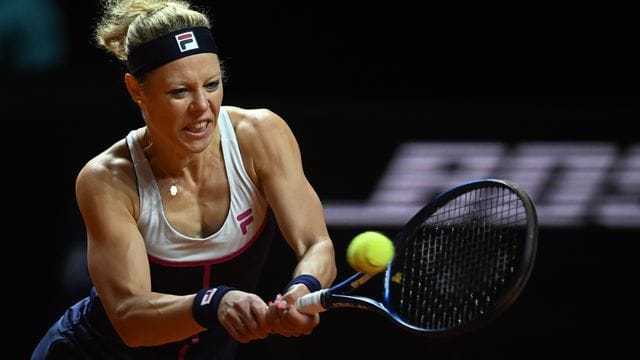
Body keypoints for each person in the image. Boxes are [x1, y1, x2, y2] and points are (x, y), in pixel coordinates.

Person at [31, 0, 337, 358]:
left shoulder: (261, 135)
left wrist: (304, 289)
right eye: (179, 92)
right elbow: (131, 319)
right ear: (136, 90)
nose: (202, 107)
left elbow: (316, 244)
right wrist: (215, 302)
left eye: (211, 84)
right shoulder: (107, 179)